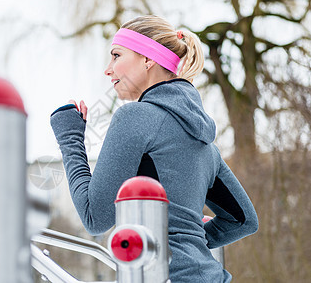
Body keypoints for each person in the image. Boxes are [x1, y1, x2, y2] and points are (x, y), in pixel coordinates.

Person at [50, 15, 258, 282]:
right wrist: (189, 242)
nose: (108, 69)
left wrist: (70, 138)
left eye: (116, 55)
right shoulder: (205, 140)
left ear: (148, 59)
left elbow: (95, 217)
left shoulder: (135, 117)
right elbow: (243, 221)